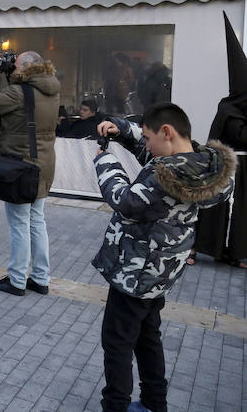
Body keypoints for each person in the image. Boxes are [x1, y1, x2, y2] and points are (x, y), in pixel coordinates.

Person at [92, 103, 235, 412]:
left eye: (147, 136)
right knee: (147, 338)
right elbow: (154, 161)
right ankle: (155, 404)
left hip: (135, 274)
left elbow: (125, 200)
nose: (145, 144)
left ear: (166, 132)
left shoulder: (165, 173)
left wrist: (105, 160)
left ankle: (114, 406)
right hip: (160, 273)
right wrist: (123, 131)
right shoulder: (197, 167)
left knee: (117, 344)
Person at [0, 50, 60, 296]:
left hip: (23, 167)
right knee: (37, 222)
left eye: (15, 65)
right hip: (44, 164)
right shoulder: (51, 89)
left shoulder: (19, 93)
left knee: (20, 223)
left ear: (25, 68)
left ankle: (17, 280)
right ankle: (41, 278)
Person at [194, 12, 247, 268]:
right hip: (226, 166)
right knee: (214, 210)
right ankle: (200, 248)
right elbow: (237, 137)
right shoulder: (229, 110)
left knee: (239, 214)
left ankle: (233, 251)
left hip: (243, 171)